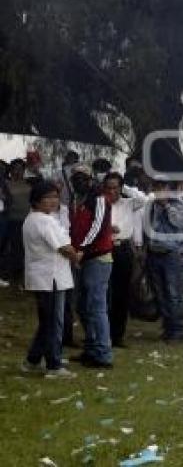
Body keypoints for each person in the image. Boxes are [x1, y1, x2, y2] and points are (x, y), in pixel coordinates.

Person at [20, 181, 82, 379]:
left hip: (40, 276)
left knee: (47, 321)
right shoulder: (45, 221)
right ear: (37, 201)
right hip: (51, 277)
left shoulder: (31, 219)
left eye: (55, 197)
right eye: (48, 197)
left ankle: (32, 360)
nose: (53, 201)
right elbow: (64, 247)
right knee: (54, 322)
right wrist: (76, 257)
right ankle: (54, 365)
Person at [68, 164, 115, 368]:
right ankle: (91, 348)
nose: (79, 181)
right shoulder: (77, 200)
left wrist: (82, 249)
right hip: (83, 258)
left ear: (91, 179)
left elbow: (97, 227)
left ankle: (103, 353)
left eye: (83, 177)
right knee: (83, 307)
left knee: (96, 308)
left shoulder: (99, 199)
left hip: (98, 258)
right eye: (75, 178)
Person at [103, 172, 146, 347]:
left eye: (115, 188)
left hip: (123, 249)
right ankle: (102, 334)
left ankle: (117, 335)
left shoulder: (129, 203)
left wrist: (125, 188)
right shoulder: (100, 204)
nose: (111, 191)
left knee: (121, 293)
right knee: (104, 294)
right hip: (104, 248)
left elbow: (143, 199)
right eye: (108, 188)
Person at [147, 176, 183, 342]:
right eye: (156, 187)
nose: (159, 190)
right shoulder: (150, 204)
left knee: (173, 293)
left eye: (162, 187)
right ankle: (167, 327)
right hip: (153, 252)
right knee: (160, 293)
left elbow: (180, 223)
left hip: (171, 253)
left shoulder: (179, 203)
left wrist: (166, 205)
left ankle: (178, 330)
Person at [5, 158, 32, 285]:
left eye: (21, 169)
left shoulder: (29, 183)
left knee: (28, 249)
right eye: (15, 168)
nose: (18, 171)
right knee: (16, 248)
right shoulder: (6, 184)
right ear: (10, 170)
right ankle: (15, 276)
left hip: (29, 221)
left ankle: (26, 276)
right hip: (13, 220)